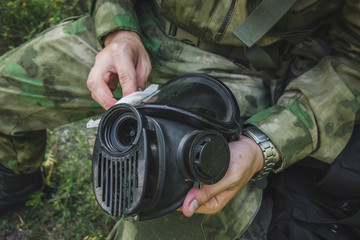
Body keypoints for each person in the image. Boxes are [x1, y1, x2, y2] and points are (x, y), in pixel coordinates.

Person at [1, 0, 360, 239]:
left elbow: (353, 60)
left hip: (244, 68)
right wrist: (117, 29)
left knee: (175, 201)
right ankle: (15, 184)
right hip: (140, 33)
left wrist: (263, 145)